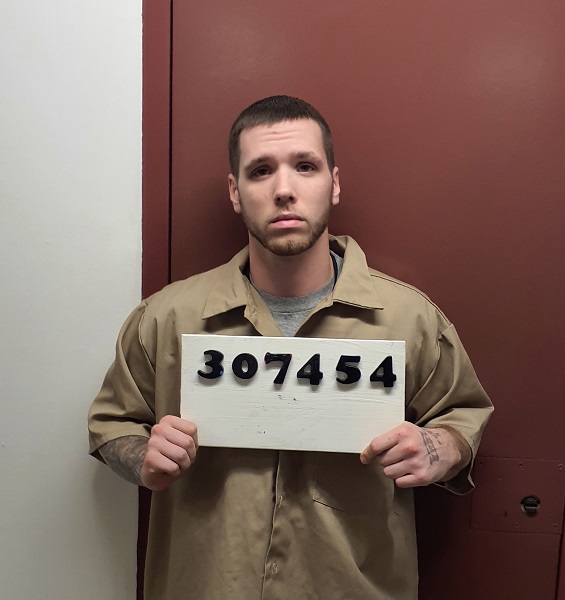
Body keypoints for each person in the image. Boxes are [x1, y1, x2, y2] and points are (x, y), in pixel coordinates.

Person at [89, 95, 493, 599]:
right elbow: (112, 425)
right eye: (261, 171)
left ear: (334, 183)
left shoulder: (409, 319)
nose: (284, 190)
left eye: (305, 166)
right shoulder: (165, 318)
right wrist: (143, 458)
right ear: (235, 192)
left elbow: (461, 417)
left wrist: (438, 449)